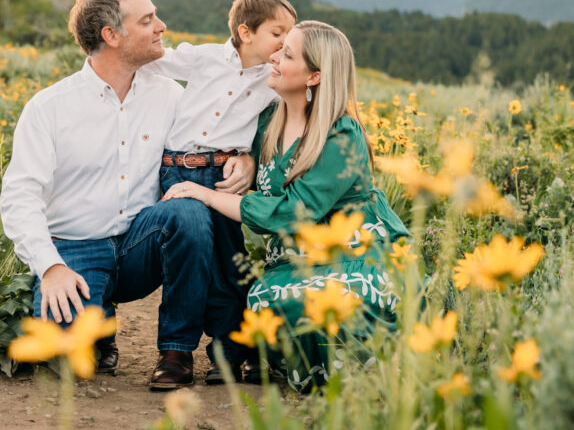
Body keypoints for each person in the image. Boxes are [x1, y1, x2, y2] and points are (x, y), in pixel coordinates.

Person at [0, 0, 254, 390]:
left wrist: (245, 157)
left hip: (143, 242)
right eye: (148, 20)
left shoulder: (172, 96)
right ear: (111, 35)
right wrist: (50, 268)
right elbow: (19, 196)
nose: (161, 27)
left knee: (188, 214)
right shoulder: (49, 108)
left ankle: (176, 351)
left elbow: (214, 135)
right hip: (77, 250)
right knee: (64, 355)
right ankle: (99, 323)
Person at [163, 20, 409, 390]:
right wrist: (246, 161)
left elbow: (295, 212)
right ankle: (311, 367)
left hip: (354, 251)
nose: (273, 57)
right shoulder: (266, 122)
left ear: (314, 77)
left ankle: (365, 380)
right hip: (293, 260)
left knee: (328, 305)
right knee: (266, 301)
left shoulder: (341, 133)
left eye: (287, 54)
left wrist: (209, 195)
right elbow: (234, 146)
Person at [148, 0, 296, 384]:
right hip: (178, 169)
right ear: (246, 32)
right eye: (278, 32)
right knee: (188, 259)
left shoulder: (273, 78)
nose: (286, 42)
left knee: (229, 263)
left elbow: (281, 124)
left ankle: (228, 354)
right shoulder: (206, 57)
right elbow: (153, 60)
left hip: (224, 176)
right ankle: (176, 351)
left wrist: (250, 160)